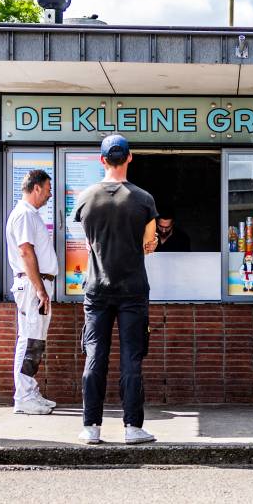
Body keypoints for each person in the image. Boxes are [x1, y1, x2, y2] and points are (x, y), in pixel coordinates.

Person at [73, 134, 159, 445]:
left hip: (96, 289)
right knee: (131, 359)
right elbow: (149, 244)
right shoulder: (143, 199)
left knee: (95, 355)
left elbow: (88, 242)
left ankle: (91, 427)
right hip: (133, 288)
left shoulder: (86, 198)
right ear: (130, 158)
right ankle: (132, 428)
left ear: (102, 160)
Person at [5, 169, 57, 416]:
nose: (49, 194)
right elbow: (25, 252)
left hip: (36, 284)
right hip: (32, 285)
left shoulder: (29, 214)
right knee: (29, 340)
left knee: (34, 339)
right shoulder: (24, 215)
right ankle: (24, 396)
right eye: (47, 188)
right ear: (36, 187)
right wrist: (39, 288)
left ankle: (28, 391)